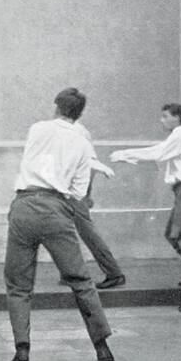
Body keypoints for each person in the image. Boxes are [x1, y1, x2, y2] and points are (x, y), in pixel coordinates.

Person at [4, 87, 115, 361]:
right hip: (57, 211)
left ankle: (22, 351)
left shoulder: (37, 129)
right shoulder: (82, 143)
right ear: (80, 114)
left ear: (56, 106)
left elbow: (40, 158)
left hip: (24, 206)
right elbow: (78, 193)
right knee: (80, 280)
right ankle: (102, 345)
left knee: (19, 285)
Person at [111, 103, 181, 312]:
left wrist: (125, 153)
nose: (161, 120)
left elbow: (159, 153)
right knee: (172, 235)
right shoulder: (179, 137)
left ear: (177, 117)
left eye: (165, 116)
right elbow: (161, 152)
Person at [63, 122, 125, 289]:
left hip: (75, 193)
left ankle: (114, 273)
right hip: (70, 192)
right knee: (64, 232)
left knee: (88, 233)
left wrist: (86, 193)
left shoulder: (75, 130)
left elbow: (88, 162)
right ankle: (71, 272)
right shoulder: (73, 129)